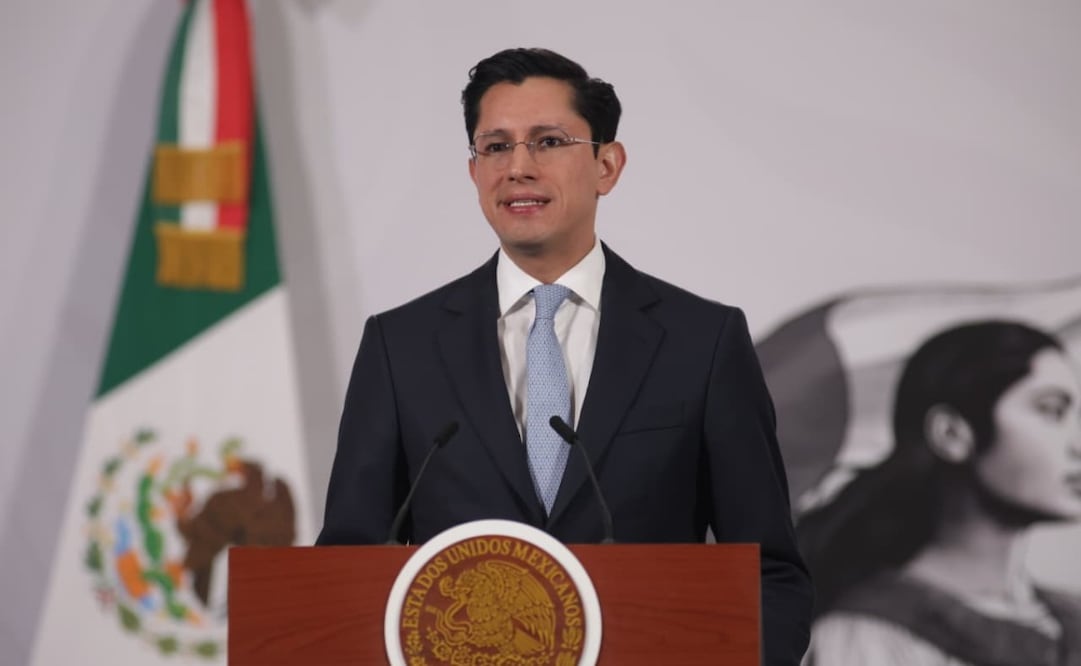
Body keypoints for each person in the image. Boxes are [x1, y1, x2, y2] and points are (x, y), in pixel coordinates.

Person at [317, 47, 813, 664]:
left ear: (607, 165)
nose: (518, 167)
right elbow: (345, 572)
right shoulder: (402, 346)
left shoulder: (702, 341)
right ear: (473, 171)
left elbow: (770, 574)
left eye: (548, 142)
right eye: (495, 147)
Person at [799, 321, 1081, 665]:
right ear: (951, 434)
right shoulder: (867, 637)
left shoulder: (1066, 619)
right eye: (1052, 410)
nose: (1078, 443)